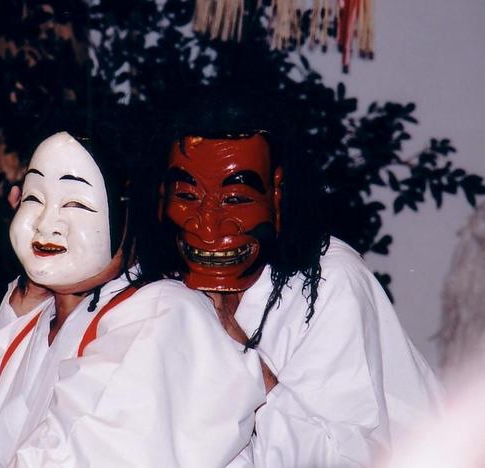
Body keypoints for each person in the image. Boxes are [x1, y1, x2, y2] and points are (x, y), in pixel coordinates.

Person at [0, 131, 265, 468]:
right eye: (34, 198)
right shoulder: (38, 323)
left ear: (131, 215)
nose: (46, 222)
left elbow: (97, 449)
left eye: (76, 205)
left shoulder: (163, 312)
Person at [157, 94, 444, 467]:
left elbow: (339, 459)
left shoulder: (328, 282)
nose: (208, 226)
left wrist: (231, 343)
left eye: (236, 199)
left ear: (276, 195)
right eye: (187, 197)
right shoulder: (161, 283)